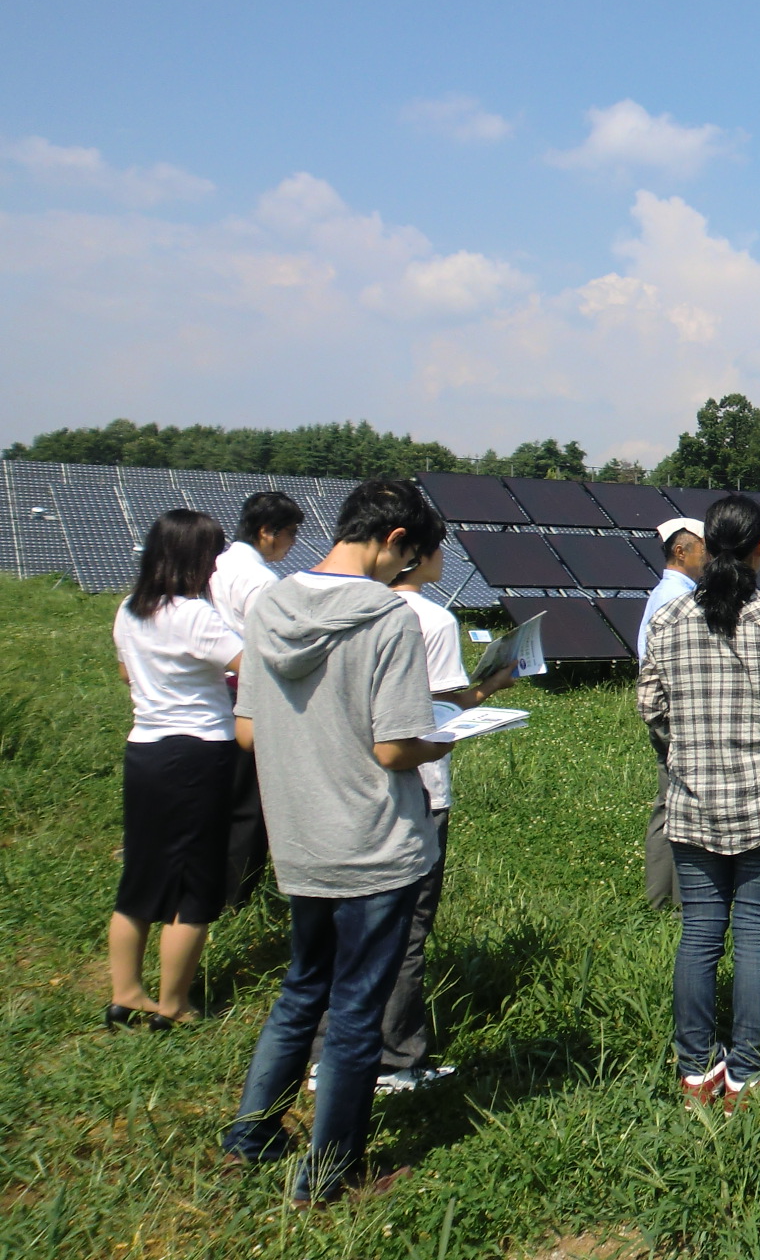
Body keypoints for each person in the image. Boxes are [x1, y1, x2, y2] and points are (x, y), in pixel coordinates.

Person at [220, 478, 448, 1206]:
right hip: (375, 843)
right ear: (393, 542)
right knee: (354, 1012)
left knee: (300, 992)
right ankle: (328, 1173)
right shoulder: (388, 619)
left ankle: (249, 1138)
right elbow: (393, 749)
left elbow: (248, 731)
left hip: (299, 837)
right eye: (405, 555)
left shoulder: (272, 604)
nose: (402, 569)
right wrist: (439, 741)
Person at [307, 542, 514, 1094]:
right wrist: (488, 691)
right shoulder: (432, 620)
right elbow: (446, 704)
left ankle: (324, 1051)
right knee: (407, 930)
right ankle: (395, 1059)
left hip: (342, 788)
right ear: (413, 553)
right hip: (416, 787)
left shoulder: (339, 608)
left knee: (341, 928)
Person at [639, 495, 760, 1107]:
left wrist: (683, 754)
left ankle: (695, 1068)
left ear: (705, 548)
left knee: (699, 935)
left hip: (691, 802)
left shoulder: (667, 622)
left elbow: (652, 710)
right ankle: (747, 1069)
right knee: (756, 936)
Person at [107, 509, 244, 1029]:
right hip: (198, 754)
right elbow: (251, 666)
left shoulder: (130, 609)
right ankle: (174, 1003)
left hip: (145, 749)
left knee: (141, 875)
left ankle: (125, 994)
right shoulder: (195, 615)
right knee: (195, 884)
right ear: (195, 559)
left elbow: (126, 670)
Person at [210, 490, 303, 910]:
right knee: (250, 804)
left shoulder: (216, 563)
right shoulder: (262, 581)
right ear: (267, 532)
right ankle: (235, 896)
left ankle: (211, 883)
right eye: (290, 533)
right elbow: (274, 646)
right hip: (248, 693)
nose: (293, 542)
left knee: (222, 795)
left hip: (214, 691)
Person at [639, 516, 706, 911]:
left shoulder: (672, 594)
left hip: (667, 714)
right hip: (675, 716)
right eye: (703, 548)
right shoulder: (674, 600)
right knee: (681, 807)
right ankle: (679, 900)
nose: (710, 556)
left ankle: (662, 898)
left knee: (669, 805)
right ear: (681, 552)